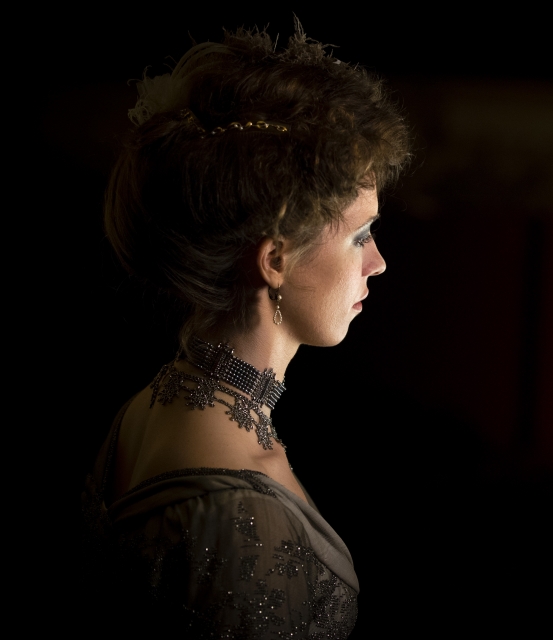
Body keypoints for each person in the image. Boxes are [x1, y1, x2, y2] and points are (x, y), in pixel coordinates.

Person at [80, 24, 410, 639]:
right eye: (360, 235)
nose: (379, 262)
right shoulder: (241, 520)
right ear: (275, 259)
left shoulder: (149, 408)